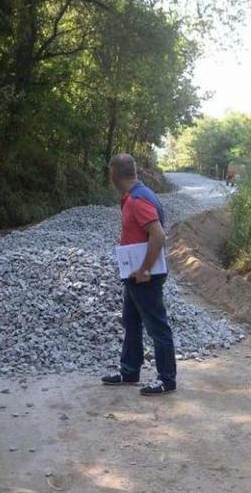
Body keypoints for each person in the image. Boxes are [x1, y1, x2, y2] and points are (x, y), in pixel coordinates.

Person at [101, 153, 177, 396]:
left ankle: (167, 379)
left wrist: (144, 269)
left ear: (114, 174)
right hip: (134, 275)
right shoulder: (139, 195)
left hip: (145, 276)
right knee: (131, 322)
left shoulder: (138, 200)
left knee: (158, 327)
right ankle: (130, 371)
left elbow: (158, 235)